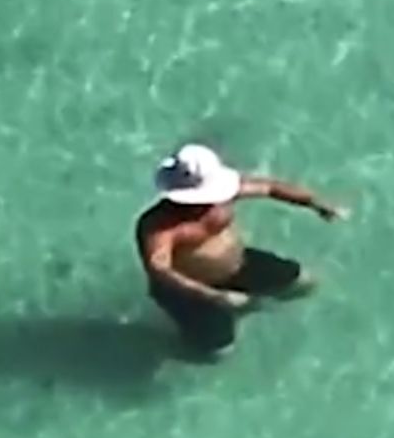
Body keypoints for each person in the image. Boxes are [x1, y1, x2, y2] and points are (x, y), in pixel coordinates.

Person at [135, 142, 347, 354]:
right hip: (191, 293)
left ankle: (244, 306)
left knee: (304, 284)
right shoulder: (158, 226)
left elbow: (271, 188)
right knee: (219, 351)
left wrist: (316, 203)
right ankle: (177, 343)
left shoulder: (220, 197)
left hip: (239, 265)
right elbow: (161, 270)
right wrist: (213, 296)